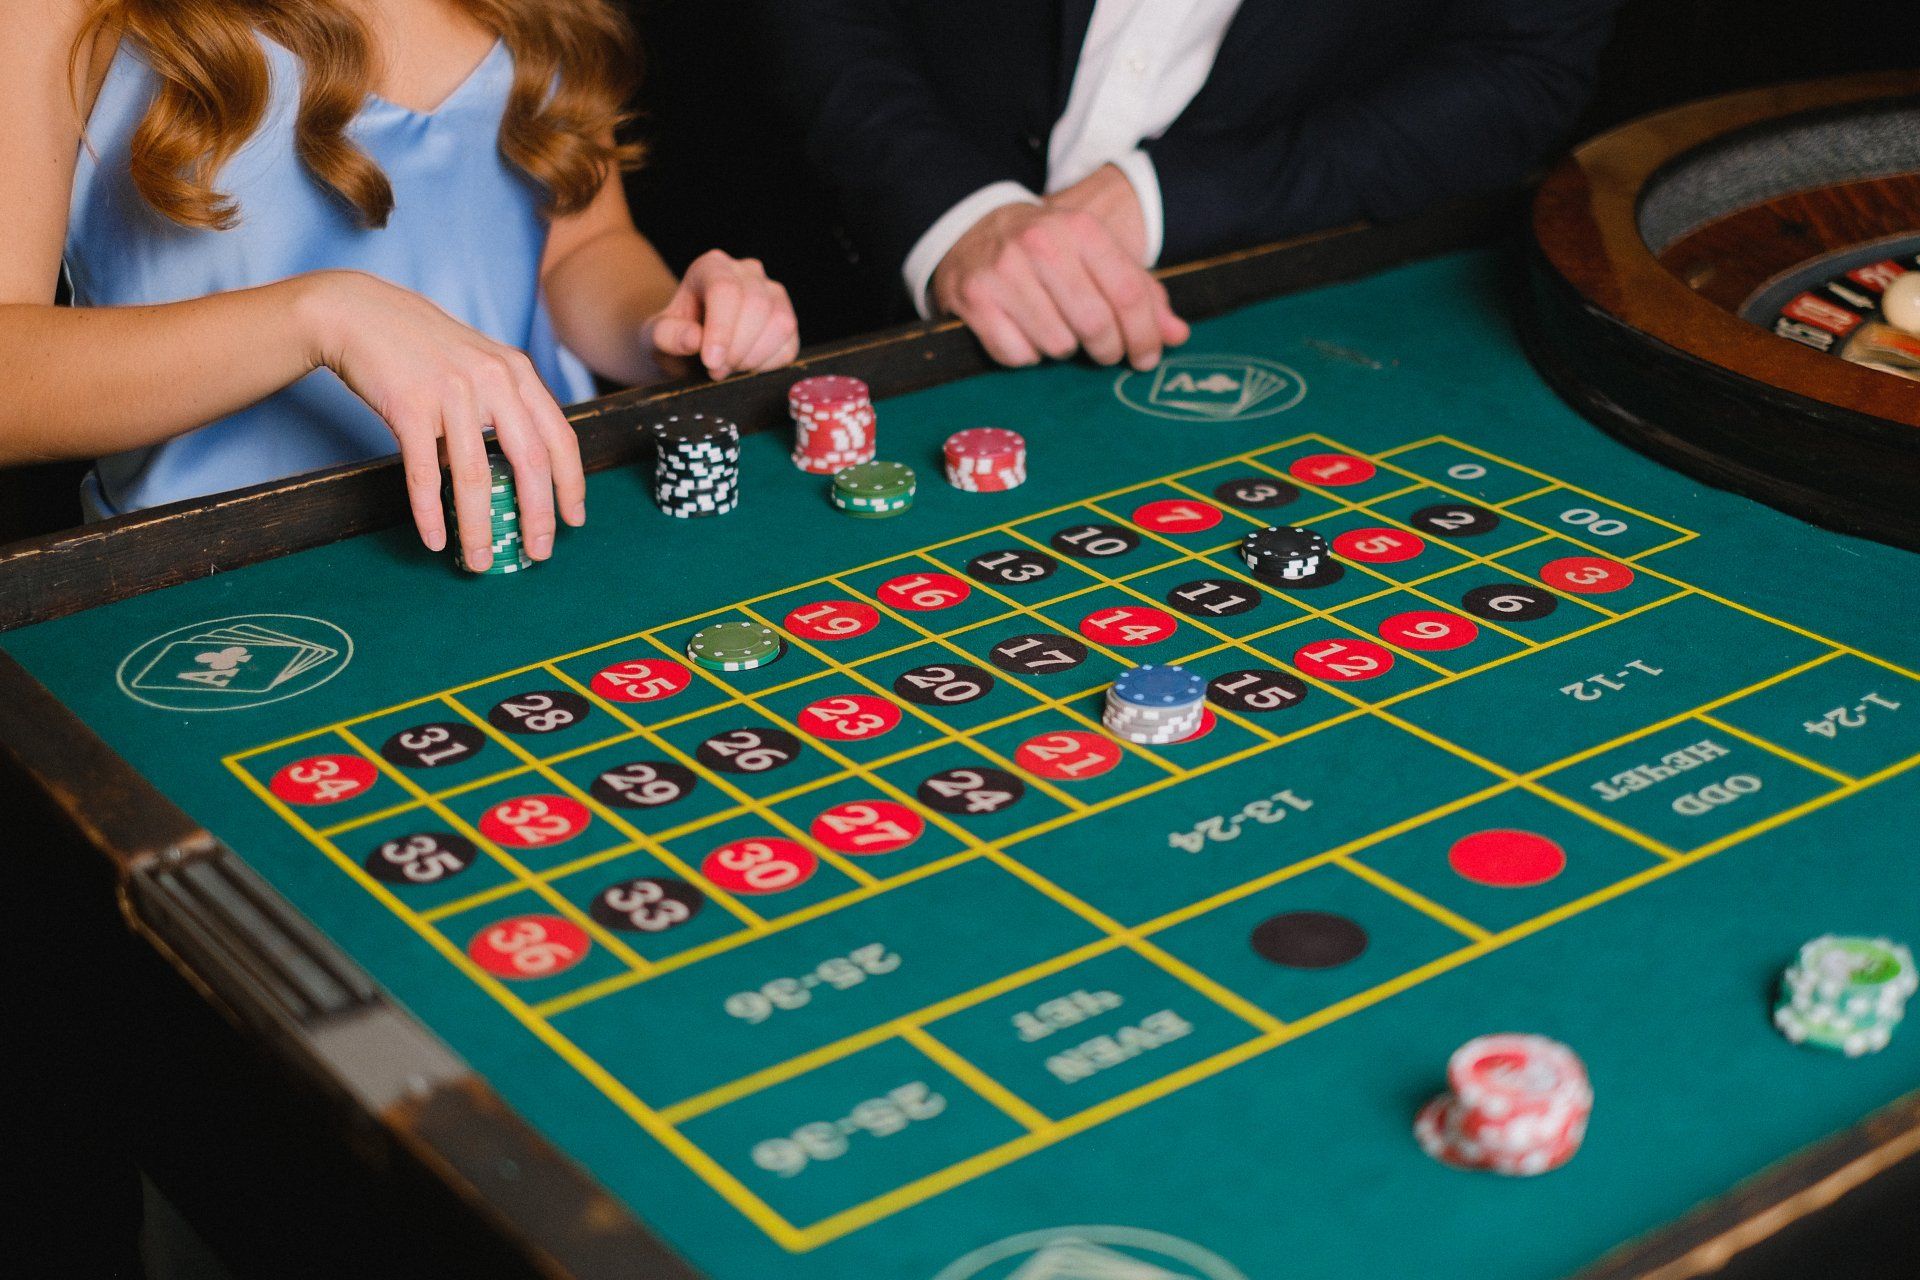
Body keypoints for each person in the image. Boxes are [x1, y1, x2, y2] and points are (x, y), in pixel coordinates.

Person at [1, 0, 799, 570]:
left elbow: (577, 247)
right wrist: (320, 314)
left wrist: (663, 323)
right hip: (221, 585)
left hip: (535, 532)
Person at [755, 0, 1621, 371]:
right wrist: (952, 214)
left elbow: (1523, 63)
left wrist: (1163, 199)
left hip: (1272, 324)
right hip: (842, 291)